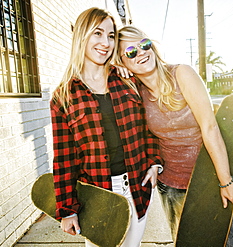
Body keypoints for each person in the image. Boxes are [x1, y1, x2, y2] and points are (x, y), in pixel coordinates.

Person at [114, 26, 233, 246]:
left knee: (225, 244)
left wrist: (226, 181)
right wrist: (113, 70)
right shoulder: (134, 92)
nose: (141, 53)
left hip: (208, 180)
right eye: (130, 52)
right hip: (171, 185)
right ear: (122, 61)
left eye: (144, 45)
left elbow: (210, 127)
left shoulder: (181, 73)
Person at [50, 9, 163, 247]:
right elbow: (64, 159)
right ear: (82, 36)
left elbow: (149, 129)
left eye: (111, 36)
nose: (106, 43)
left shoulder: (128, 81)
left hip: (136, 188)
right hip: (97, 195)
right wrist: (67, 209)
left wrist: (154, 162)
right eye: (98, 34)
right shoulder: (63, 97)